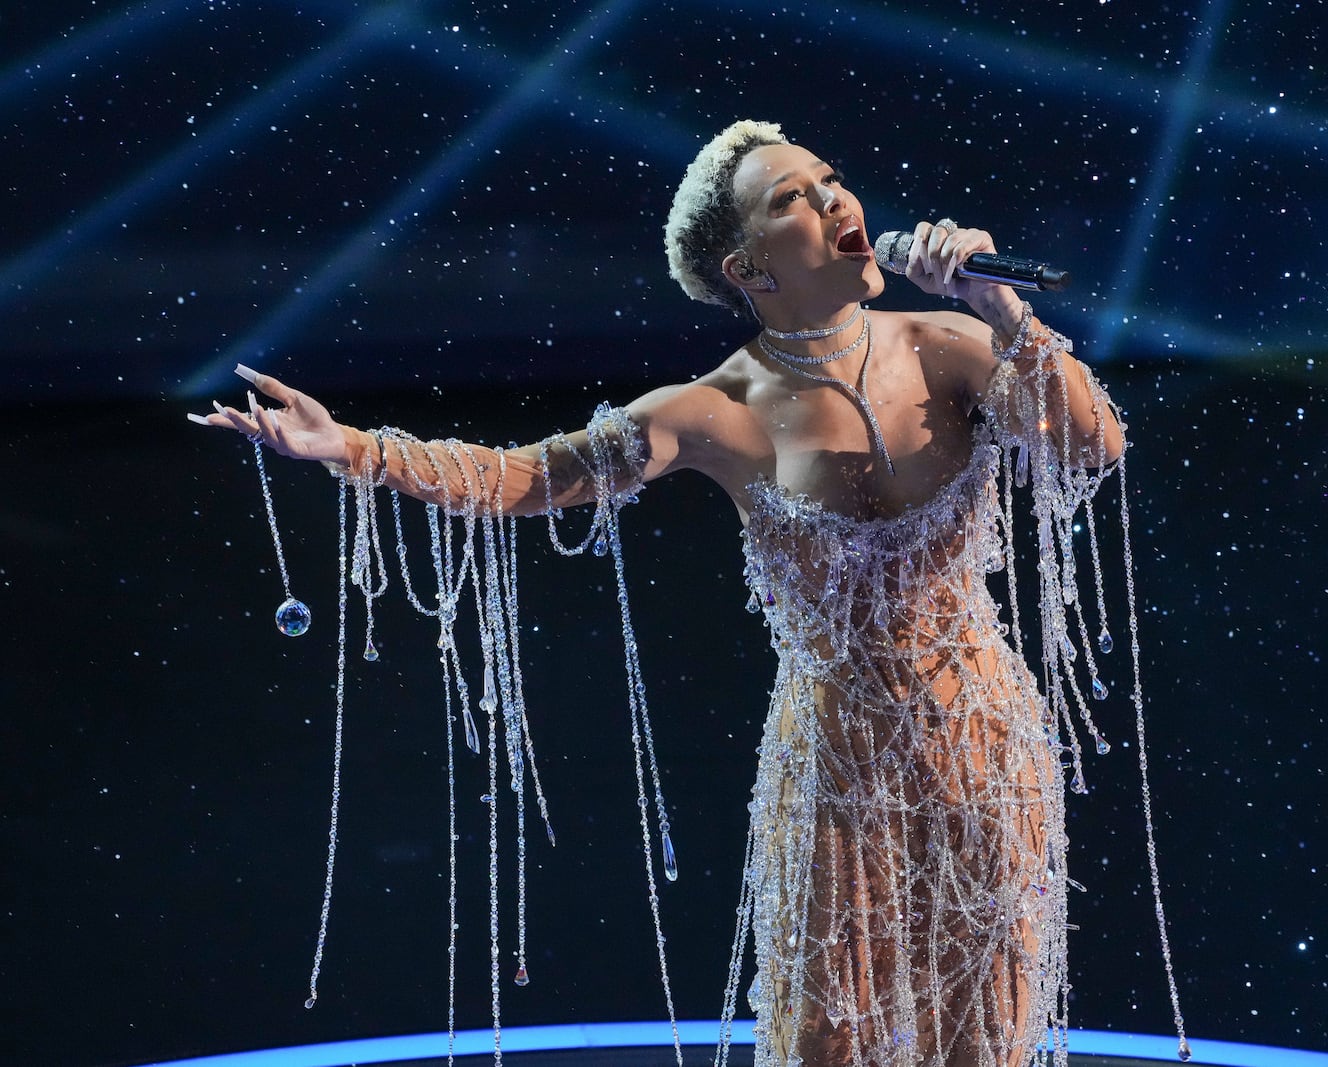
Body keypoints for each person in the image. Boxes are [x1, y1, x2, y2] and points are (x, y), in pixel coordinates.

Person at [192, 119, 1185, 1067]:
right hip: (834, 773)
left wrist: (1002, 307)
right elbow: (529, 476)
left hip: (983, 745)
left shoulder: (953, 345)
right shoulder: (712, 407)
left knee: (987, 1030)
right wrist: (353, 449)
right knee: (830, 1038)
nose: (838, 199)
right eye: (797, 198)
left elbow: (1094, 445)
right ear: (749, 269)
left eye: (833, 180)